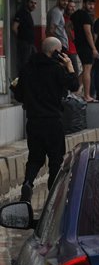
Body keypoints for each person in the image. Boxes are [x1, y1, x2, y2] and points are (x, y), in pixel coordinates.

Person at [11, 37, 80, 202]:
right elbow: (74, 86)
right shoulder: (56, 69)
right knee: (56, 160)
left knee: (35, 158)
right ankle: (53, 195)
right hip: (53, 122)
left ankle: (28, 183)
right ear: (55, 52)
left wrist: (15, 88)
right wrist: (69, 66)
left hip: (33, 122)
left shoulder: (27, 68)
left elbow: (19, 96)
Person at [72, 0, 99, 102]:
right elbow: (88, 32)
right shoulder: (86, 16)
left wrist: (73, 39)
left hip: (79, 45)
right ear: (84, 4)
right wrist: (93, 48)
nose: (91, 6)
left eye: (93, 4)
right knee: (87, 69)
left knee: (85, 70)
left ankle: (74, 90)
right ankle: (87, 95)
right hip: (86, 46)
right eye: (89, 4)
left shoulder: (76, 14)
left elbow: (68, 26)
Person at [12, 0, 37, 75]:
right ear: (26, 3)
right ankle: (22, 79)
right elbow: (14, 27)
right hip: (24, 42)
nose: (33, 5)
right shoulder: (21, 13)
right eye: (31, 3)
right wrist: (21, 37)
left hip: (30, 43)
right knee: (24, 63)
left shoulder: (28, 14)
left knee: (34, 61)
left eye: (35, 3)